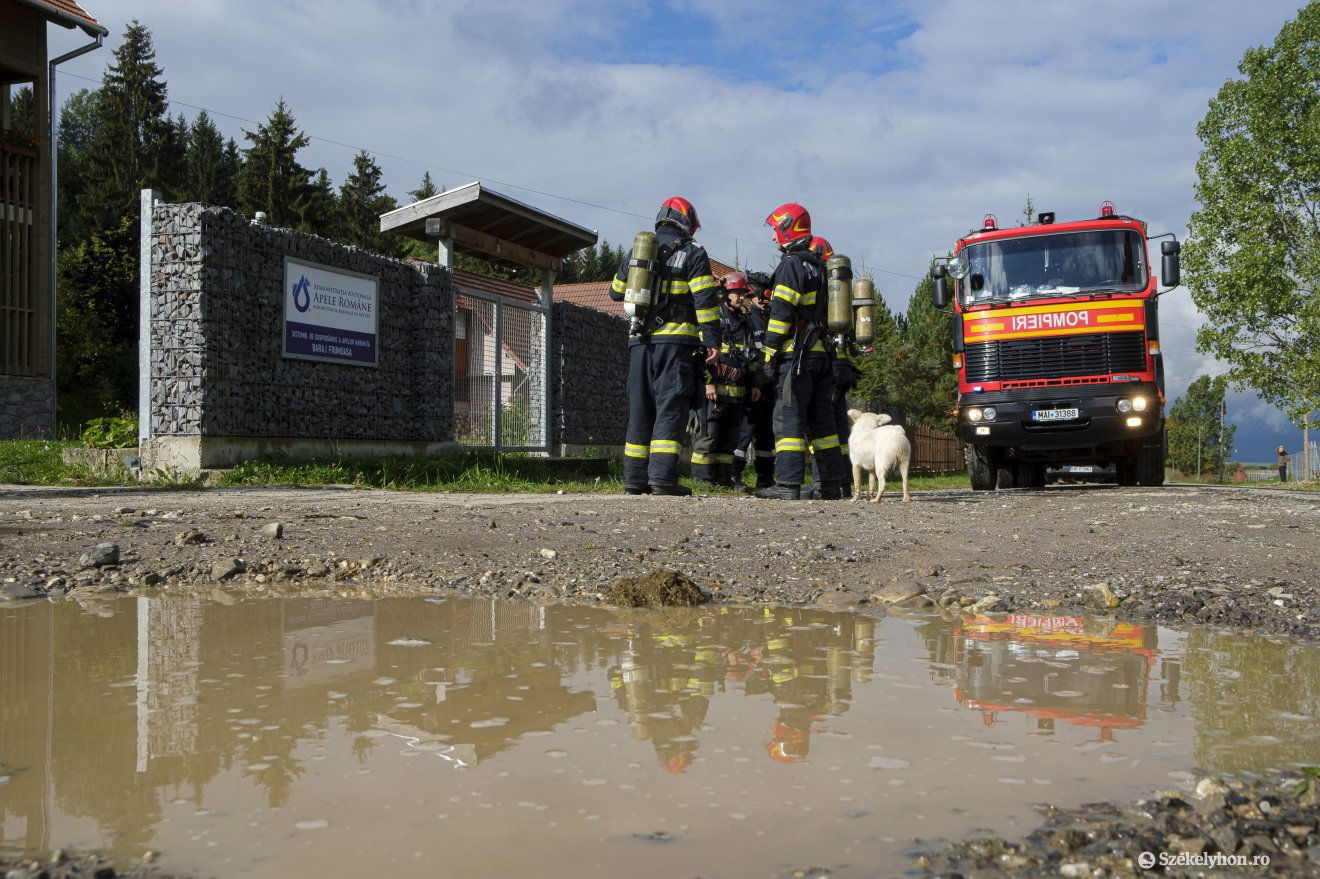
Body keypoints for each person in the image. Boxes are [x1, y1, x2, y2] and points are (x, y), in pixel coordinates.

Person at [609, 197, 722, 496]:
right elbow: (705, 300)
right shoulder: (693, 253)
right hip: (675, 343)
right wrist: (712, 339)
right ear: (686, 223)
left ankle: (634, 480)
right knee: (671, 407)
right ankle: (662, 479)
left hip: (639, 342)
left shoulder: (639, 250)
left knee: (640, 409)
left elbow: (615, 292)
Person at [754, 203, 849, 500]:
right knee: (823, 422)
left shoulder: (791, 264)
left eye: (774, 230)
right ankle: (830, 484)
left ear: (787, 227)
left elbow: (782, 315)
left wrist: (768, 354)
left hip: (796, 358)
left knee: (788, 419)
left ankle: (787, 485)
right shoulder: (821, 265)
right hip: (822, 356)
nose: (773, 238)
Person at [692, 273, 760, 488]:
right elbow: (704, 353)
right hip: (715, 388)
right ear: (725, 293)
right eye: (737, 293)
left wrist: (755, 382)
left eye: (742, 293)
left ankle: (723, 480)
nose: (741, 297)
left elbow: (751, 355)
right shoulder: (713, 316)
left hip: (738, 391)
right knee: (708, 436)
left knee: (729, 438)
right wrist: (708, 382)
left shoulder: (744, 320)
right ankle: (703, 481)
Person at [734, 271, 777, 489]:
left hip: (773, 386)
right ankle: (735, 476)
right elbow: (748, 356)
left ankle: (766, 478)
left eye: (766, 296)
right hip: (754, 386)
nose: (763, 300)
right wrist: (754, 383)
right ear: (752, 298)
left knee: (767, 436)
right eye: (759, 297)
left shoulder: (774, 320)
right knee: (745, 433)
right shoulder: (748, 320)